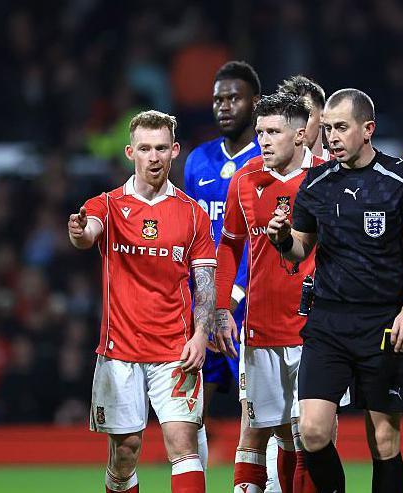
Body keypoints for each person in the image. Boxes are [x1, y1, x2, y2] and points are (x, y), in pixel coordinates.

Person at [267, 88, 403, 493]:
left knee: (384, 439)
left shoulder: (402, 179)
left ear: (368, 129)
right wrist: (284, 239)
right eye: (326, 129)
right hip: (327, 321)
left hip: (383, 323)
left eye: (341, 127)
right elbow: (299, 250)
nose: (332, 137)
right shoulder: (317, 182)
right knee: (312, 431)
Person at [69, 110, 215, 493]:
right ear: (130, 151)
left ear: (175, 151)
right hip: (120, 352)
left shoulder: (193, 215)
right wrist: (82, 232)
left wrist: (201, 335)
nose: (154, 157)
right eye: (146, 149)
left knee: (183, 446)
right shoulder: (108, 205)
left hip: (175, 350)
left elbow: (205, 284)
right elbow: (88, 234)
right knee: (125, 453)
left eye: (162, 148)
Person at [216, 93, 322, 493]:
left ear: (299, 136)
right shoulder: (244, 179)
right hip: (260, 326)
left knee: (309, 433)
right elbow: (229, 244)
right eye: (260, 132)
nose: (263, 140)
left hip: (315, 327)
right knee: (276, 430)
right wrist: (222, 308)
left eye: (273, 132)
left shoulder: (326, 177)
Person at [183, 60, 261, 469]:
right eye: (218, 99)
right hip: (202, 306)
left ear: (256, 102)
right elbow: (192, 233)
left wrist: (230, 297)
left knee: (259, 415)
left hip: (247, 306)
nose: (224, 106)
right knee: (191, 413)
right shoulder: (198, 161)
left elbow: (258, 237)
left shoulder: (267, 158)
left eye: (234, 97)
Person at [277, 75, 329, 160]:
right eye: (289, 118)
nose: (297, 127)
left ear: (322, 117)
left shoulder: (341, 169)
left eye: (306, 115)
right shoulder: (262, 168)